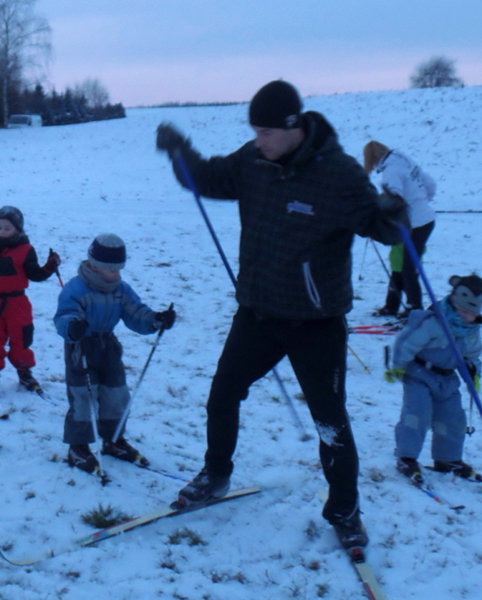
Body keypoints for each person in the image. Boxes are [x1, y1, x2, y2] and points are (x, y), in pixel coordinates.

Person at [155, 79, 409, 549]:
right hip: (258, 312)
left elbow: (379, 224)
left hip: (316, 323)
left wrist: (394, 214)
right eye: (254, 131)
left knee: (330, 423)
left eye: (266, 132)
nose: (259, 140)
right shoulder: (254, 161)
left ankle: (344, 510)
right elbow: (209, 177)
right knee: (222, 394)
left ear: (294, 127)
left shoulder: (337, 173)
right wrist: (180, 153)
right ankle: (215, 474)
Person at [54, 234, 176, 474]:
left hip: (108, 346)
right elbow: (64, 315)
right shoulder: (76, 288)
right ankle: (78, 446)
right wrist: (72, 326)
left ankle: (113, 439)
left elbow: (135, 312)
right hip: (81, 347)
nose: (117, 275)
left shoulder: (120, 290)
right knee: (83, 396)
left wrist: (156, 320)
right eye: (113, 270)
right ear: (95, 267)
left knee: (116, 393)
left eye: (120, 269)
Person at [386, 275, 482, 483]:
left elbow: (472, 356)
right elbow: (406, 342)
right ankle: (406, 457)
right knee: (417, 415)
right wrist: (398, 367)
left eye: (473, 314)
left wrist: (474, 373)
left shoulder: (472, 331)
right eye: (465, 311)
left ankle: (448, 459)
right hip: (419, 375)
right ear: (456, 304)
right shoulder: (433, 322)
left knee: (453, 419)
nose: (468, 317)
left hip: (447, 380)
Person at [0, 205, 61, 395]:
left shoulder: (26, 250)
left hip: (17, 303)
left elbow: (35, 274)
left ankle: (24, 371)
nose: (1, 231)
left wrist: (49, 267)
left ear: (18, 229)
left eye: (7, 228)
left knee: (21, 338)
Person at [364, 141, 437, 319]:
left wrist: (378, 219)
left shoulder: (391, 170)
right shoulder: (403, 159)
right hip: (423, 219)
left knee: (408, 268)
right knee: (399, 262)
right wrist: (423, 201)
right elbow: (430, 183)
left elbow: (393, 198)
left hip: (416, 224)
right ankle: (392, 305)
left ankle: (415, 308)